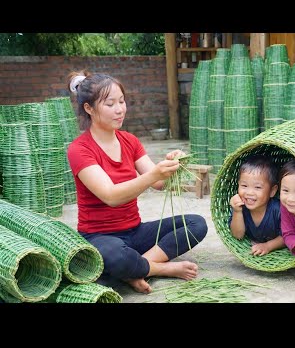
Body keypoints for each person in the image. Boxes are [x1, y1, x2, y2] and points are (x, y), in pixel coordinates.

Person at [66, 71, 208, 294]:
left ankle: (138, 270)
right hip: (100, 237)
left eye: (122, 101)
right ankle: (161, 268)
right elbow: (111, 196)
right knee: (115, 256)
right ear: (89, 108)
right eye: (110, 104)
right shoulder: (79, 149)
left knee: (197, 224)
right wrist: (154, 175)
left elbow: (159, 183)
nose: (120, 109)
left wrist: (172, 165)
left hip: (135, 231)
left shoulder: (130, 141)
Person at [228, 155, 284, 256]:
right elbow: (238, 235)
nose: (249, 192)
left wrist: (267, 246)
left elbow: (288, 236)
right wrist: (237, 211)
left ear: (272, 191)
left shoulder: (278, 209)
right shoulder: (241, 207)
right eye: (244, 186)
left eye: (257, 187)